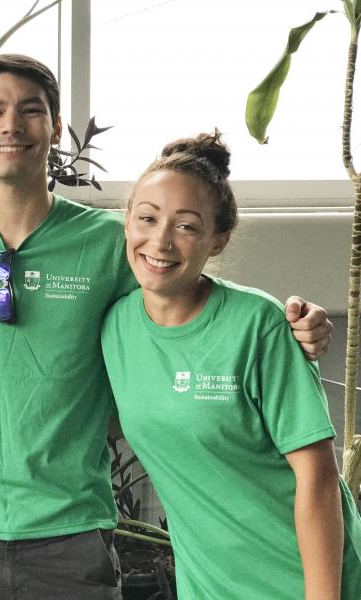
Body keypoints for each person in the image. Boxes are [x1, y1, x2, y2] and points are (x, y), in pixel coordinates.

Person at [0, 53, 334, 599]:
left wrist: (297, 325)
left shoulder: (111, 242)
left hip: (72, 534)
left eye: (31, 110)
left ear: (56, 128)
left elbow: (189, 308)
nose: (11, 125)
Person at [100, 131, 361, 599]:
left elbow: (318, 479)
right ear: (127, 222)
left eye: (186, 225)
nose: (159, 240)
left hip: (305, 580)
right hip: (211, 586)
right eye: (147, 218)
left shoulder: (257, 325)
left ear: (218, 240)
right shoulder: (114, 326)